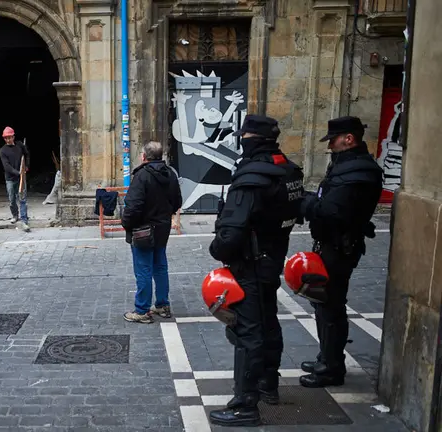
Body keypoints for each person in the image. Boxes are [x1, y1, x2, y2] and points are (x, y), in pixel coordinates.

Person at [207, 115, 305, 427]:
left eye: (244, 136)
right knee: (268, 322)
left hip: (249, 264)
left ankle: (245, 405)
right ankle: (267, 384)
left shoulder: (252, 178)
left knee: (248, 333)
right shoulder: (289, 171)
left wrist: (217, 248)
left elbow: (231, 232)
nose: (241, 140)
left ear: (252, 139)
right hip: (272, 260)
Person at [298, 116, 383, 388]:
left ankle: (331, 368)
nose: (329, 145)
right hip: (331, 244)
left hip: (340, 247)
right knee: (323, 304)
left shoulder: (358, 171)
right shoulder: (346, 166)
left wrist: (305, 202)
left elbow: (331, 210)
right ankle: (327, 357)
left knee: (331, 307)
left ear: (349, 138)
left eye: (333, 140)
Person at [121, 141, 183, 324]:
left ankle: (142, 310)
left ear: (144, 156)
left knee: (144, 269)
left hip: (143, 229)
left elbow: (133, 206)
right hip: (162, 228)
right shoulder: (170, 174)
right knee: (160, 266)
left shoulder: (142, 176)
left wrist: (127, 224)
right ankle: (162, 305)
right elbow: (177, 201)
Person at [0, 126, 30, 232]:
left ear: (13, 137)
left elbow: (27, 154)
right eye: (6, 138)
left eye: (9, 137)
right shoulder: (3, 150)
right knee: (12, 200)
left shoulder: (20, 145)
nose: (8, 140)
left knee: (22, 199)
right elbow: (6, 166)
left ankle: (24, 220)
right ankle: (15, 215)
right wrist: (18, 173)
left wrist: (26, 166)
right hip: (10, 179)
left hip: (21, 177)